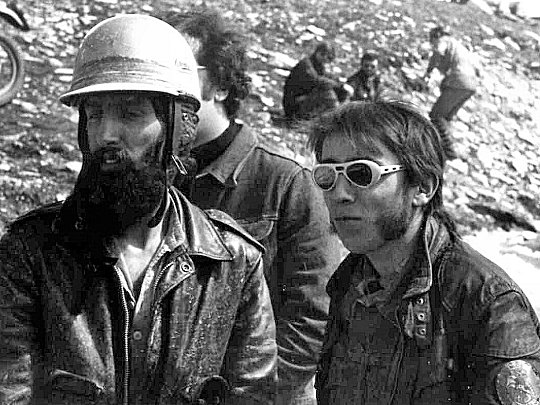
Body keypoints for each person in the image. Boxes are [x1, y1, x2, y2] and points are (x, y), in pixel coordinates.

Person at [0, 14, 277, 405]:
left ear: (177, 128)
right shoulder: (30, 253)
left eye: (130, 114)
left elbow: (253, 395)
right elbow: (11, 389)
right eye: (95, 114)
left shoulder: (232, 261)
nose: (106, 135)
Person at [163, 9, 346, 405]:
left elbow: (313, 318)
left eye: (177, 71)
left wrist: (251, 395)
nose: (160, 87)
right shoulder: (151, 179)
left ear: (220, 87)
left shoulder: (285, 184)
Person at [308, 101, 540, 404]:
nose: (339, 194)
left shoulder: (487, 301)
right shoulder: (350, 282)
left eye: (361, 173)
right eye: (327, 175)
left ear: (422, 187)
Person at [423, 25, 481, 160]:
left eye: (432, 39)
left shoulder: (443, 41)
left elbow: (438, 51)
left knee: (436, 115)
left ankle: (449, 151)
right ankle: (447, 149)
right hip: (471, 84)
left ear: (436, 36)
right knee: (446, 118)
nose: (432, 43)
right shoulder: (460, 47)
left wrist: (429, 70)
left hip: (458, 81)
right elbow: (477, 68)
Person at [282, 42, 352, 121]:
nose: (325, 59)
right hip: (293, 106)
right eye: (323, 55)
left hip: (304, 100)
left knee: (340, 91)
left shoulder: (319, 66)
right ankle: (336, 119)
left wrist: (340, 85)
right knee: (326, 92)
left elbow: (326, 78)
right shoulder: (306, 64)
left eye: (329, 58)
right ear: (318, 52)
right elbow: (317, 80)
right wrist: (338, 85)